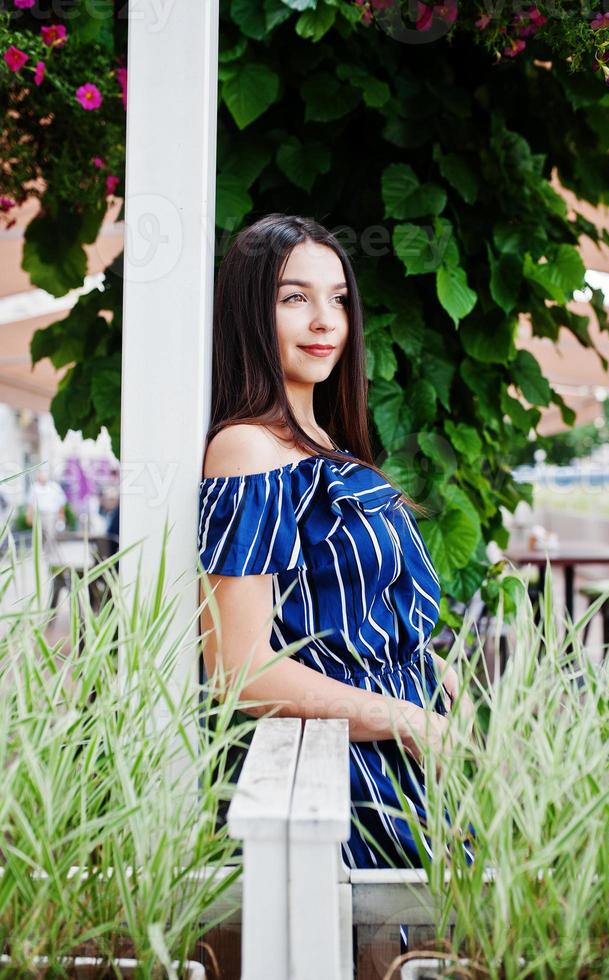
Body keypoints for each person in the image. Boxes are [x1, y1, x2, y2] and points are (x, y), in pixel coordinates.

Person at [197, 214, 475, 884]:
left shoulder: (330, 450)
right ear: (248, 314)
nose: (325, 321)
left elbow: (364, 627)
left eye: (338, 299)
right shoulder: (247, 451)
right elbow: (238, 667)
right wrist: (407, 720)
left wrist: (439, 694)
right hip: (341, 782)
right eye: (294, 298)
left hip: (408, 772)